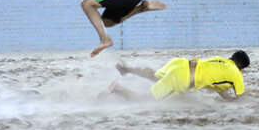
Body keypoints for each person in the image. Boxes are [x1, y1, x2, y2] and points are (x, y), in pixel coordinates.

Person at [105, 50, 250, 101]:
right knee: (145, 101)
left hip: (180, 63)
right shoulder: (237, 75)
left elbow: (219, 88)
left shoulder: (221, 60)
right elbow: (240, 98)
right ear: (242, 68)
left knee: (155, 76)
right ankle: (118, 88)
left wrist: (227, 98)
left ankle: (127, 69)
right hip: (183, 78)